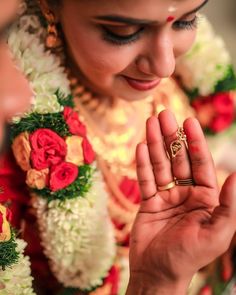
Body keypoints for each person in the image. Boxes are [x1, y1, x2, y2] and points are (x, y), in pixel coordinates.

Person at [0, 0, 236, 294]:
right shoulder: (14, 143)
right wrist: (157, 282)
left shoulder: (189, 77)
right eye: (123, 32)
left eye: (185, 22)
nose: (165, 65)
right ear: (50, 8)